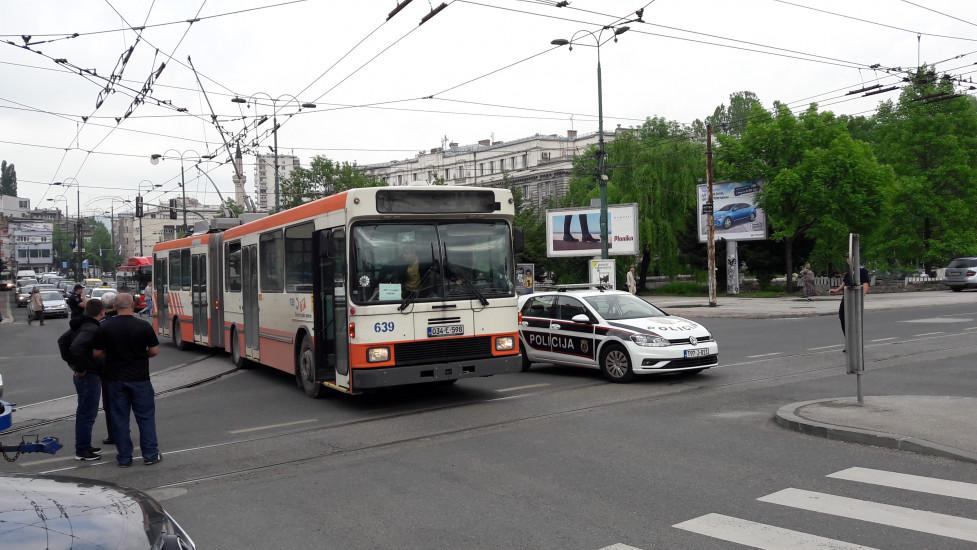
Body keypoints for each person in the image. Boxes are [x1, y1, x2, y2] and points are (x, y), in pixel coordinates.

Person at [93, 293, 162, 467]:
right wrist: (140, 355)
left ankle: (124, 458)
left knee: (119, 420)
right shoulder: (143, 326)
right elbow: (154, 351)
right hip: (140, 378)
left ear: (115, 306)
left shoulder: (105, 327)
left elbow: (97, 353)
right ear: (132, 305)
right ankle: (151, 455)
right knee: (145, 418)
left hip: (114, 379)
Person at [66, 298, 106, 461]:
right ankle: (82, 450)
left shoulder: (82, 324)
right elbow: (75, 347)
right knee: (87, 414)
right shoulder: (91, 328)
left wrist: (74, 366)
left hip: (85, 375)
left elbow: (63, 341)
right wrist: (80, 368)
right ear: (102, 312)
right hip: (89, 375)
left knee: (84, 412)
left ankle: (84, 446)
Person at [830, 262, 871, 347]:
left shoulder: (862, 271)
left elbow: (866, 284)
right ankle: (849, 341)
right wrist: (836, 290)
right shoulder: (849, 271)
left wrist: (861, 296)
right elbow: (844, 283)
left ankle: (855, 343)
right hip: (846, 298)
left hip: (855, 298)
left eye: (850, 257)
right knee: (842, 317)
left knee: (854, 321)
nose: (848, 259)